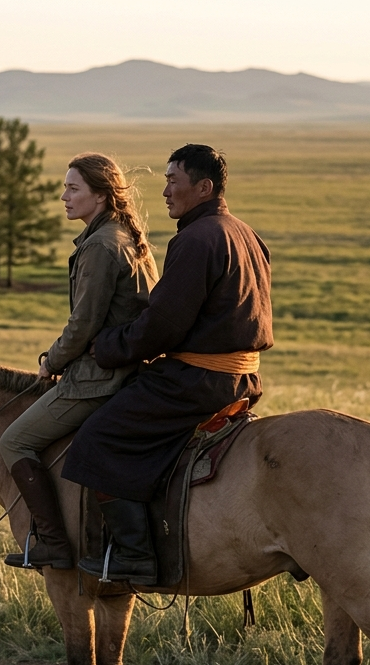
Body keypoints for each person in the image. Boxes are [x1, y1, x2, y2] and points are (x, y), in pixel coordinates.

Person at [63, 144, 273, 585]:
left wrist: (108, 347)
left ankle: (135, 556)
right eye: (165, 180)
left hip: (196, 381)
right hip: (242, 379)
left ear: (204, 187)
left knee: (98, 436)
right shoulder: (245, 234)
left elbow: (163, 325)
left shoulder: (196, 240)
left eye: (173, 180)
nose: (164, 191)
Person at [0, 153, 156, 570]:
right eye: (65, 187)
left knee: (13, 440)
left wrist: (51, 360)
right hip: (130, 370)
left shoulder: (101, 246)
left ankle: (52, 543)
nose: (63, 196)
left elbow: (83, 322)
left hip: (100, 380)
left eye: (73, 189)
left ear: (101, 196)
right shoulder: (123, 236)